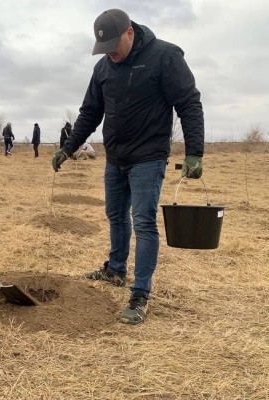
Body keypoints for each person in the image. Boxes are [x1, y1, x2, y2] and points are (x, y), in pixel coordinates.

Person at [52, 9, 204, 325]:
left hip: (148, 157)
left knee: (144, 221)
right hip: (116, 157)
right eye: (104, 49)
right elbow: (89, 112)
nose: (111, 54)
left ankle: (140, 293)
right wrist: (68, 147)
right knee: (115, 215)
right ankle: (116, 270)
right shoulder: (103, 67)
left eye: (114, 47)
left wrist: (195, 153)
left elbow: (188, 103)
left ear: (130, 33)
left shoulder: (165, 56)